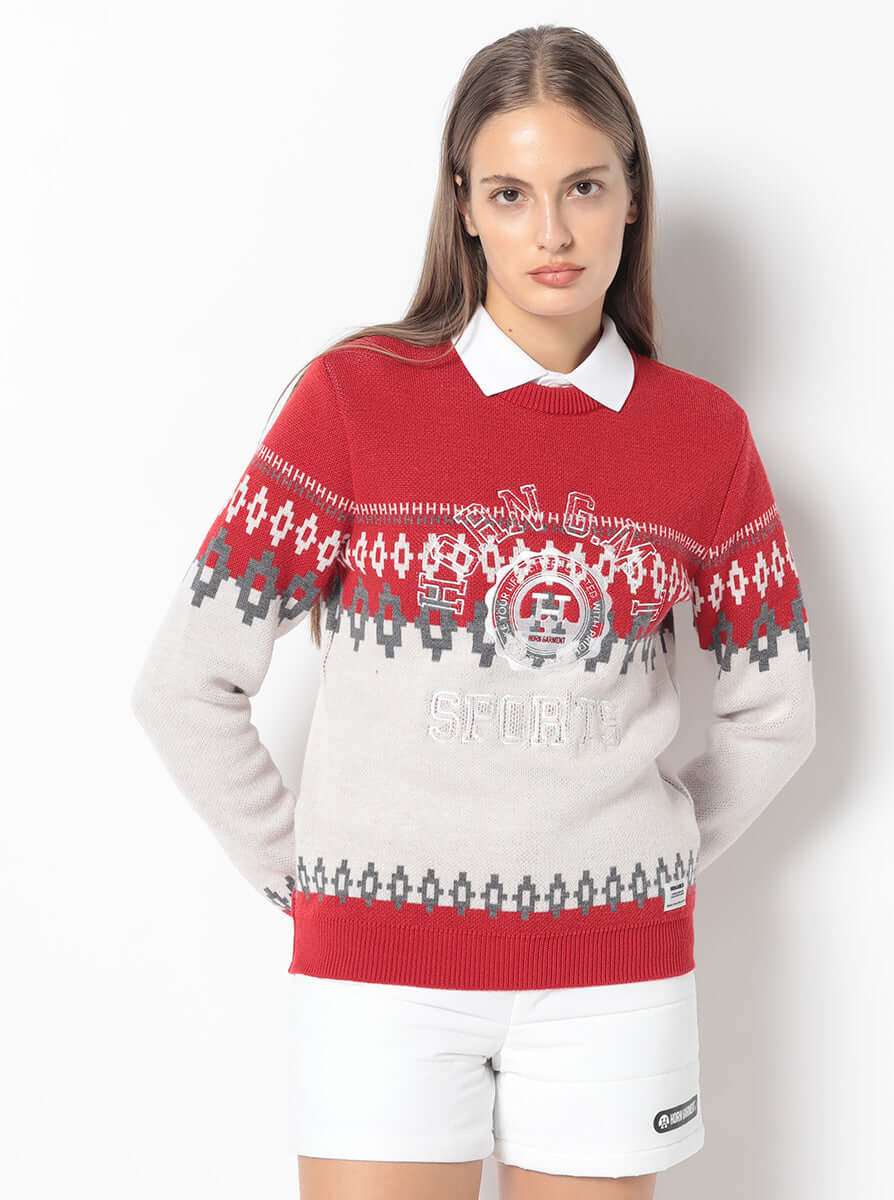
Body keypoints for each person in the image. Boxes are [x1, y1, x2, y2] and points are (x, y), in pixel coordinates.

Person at [130, 23, 817, 1200]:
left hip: (610, 990)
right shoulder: (352, 402)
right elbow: (186, 685)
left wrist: (642, 864)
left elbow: (778, 712)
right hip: (377, 986)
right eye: (511, 193)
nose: (550, 233)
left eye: (583, 188)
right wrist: (317, 885)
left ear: (631, 197)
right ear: (464, 206)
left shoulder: (702, 437)